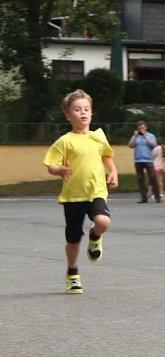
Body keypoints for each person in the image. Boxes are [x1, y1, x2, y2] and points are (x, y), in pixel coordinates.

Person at [44, 89, 118, 294]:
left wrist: (113, 171)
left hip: (96, 191)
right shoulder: (65, 141)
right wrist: (59, 170)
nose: (83, 112)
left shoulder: (98, 137)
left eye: (86, 109)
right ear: (69, 116)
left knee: (103, 221)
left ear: (91, 113)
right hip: (73, 196)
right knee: (73, 239)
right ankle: (72, 272)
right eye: (77, 109)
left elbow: (107, 156)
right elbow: (51, 165)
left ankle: (95, 237)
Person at [128, 120, 158, 204]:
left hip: (148, 159)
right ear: (138, 128)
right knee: (140, 179)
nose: (141, 129)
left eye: (143, 127)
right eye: (140, 128)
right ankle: (143, 197)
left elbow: (153, 145)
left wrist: (145, 137)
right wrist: (135, 137)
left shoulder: (151, 136)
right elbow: (131, 145)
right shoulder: (135, 136)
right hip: (138, 160)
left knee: (152, 177)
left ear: (146, 127)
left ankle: (157, 196)